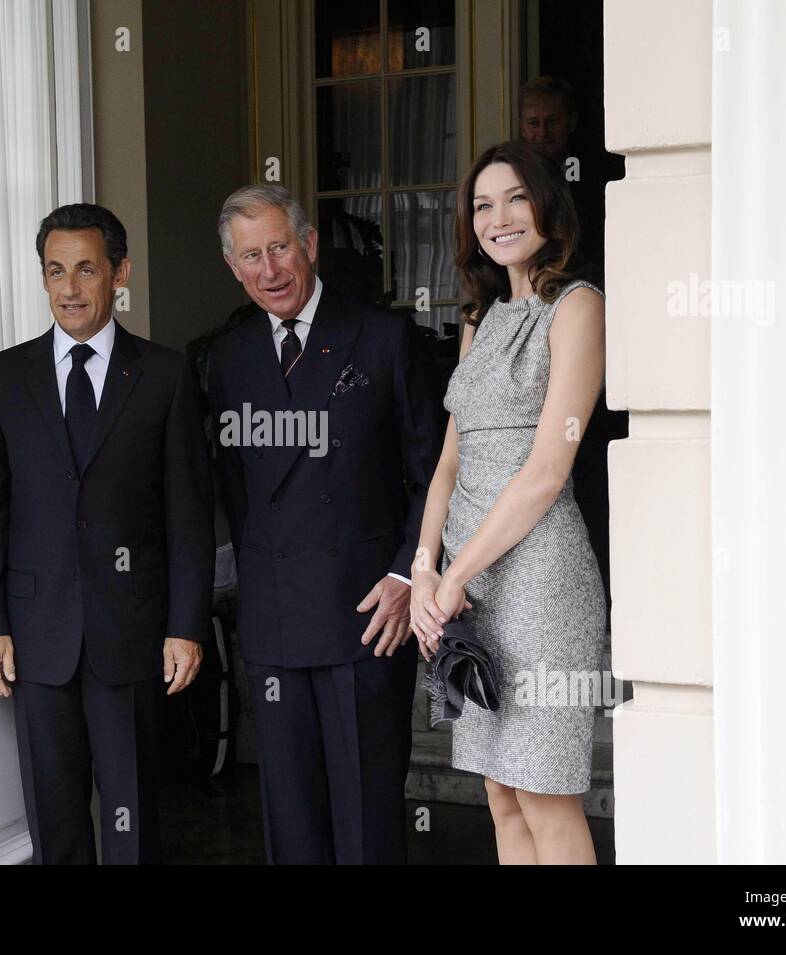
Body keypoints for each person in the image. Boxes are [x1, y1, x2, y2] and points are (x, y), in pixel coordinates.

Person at [0, 203, 214, 864]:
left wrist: (185, 624)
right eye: (54, 271)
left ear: (119, 273)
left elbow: (188, 514)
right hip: (36, 640)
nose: (69, 288)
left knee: (133, 821)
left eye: (85, 269)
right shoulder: (3, 377)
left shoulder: (165, 375)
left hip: (131, 636)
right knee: (55, 820)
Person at [207, 184, 443, 864]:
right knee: (294, 824)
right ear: (232, 266)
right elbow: (239, 490)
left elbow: (435, 476)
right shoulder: (228, 359)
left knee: (367, 825)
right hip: (277, 620)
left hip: (367, 615)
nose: (269, 269)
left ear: (309, 245)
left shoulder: (383, 336)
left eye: (280, 247)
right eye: (251, 255)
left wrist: (408, 572)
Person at [409, 141, 607, 865]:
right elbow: (449, 464)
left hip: (542, 580)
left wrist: (453, 578)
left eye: (515, 198)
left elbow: (547, 471)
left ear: (548, 206)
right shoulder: (480, 317)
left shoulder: (579, 307)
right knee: (499, 791)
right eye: (482, 205)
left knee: (545, 793)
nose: (497, 218)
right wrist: (426, 569)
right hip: (469, 580)